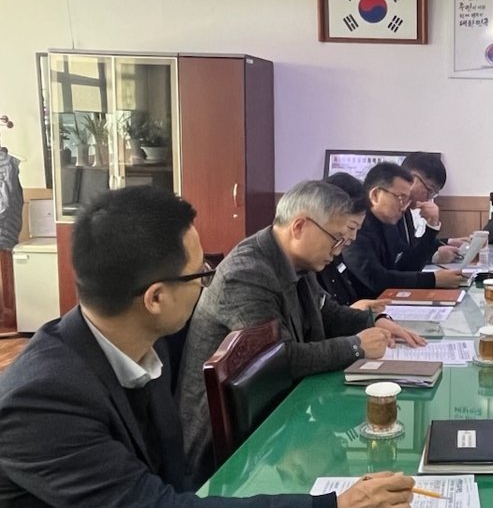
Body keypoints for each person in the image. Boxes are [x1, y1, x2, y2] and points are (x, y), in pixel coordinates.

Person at [0, 186, 415, 508]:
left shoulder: (141, 345)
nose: (208, 285)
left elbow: (174, 492)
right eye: (201, 274)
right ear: (156, 298)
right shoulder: (41, 401)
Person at [179, 180, 425, 479]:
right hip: (233, 448)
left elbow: (327, 312)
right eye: (336, 239)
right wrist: (356, 346)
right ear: (299, 227)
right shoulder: (247, 274)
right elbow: (278, 360)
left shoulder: (298, 262)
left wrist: (375, 321)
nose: (338, 251)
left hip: (276, 414)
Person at [342, 162, 462, 298]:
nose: (404, 207)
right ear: (375, 195)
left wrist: (431, 228)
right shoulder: (356, 226)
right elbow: (376, 279)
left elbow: (407, 266)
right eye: (401, 198)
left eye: (407, 199)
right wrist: (433, 279)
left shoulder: (390, 221)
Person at [316, 172, 381, 309]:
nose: (353, 237)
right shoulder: (309, 262)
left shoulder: (336, 254)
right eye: (351, 227)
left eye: (358, 229)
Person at [396, 152, 459, 267]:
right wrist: (434, 260)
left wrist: (433, 227)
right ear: (412, 178)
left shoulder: (406, 212)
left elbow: (410, 256)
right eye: (429, 190)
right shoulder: (388, 213)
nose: (429, 198)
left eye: (434, 193)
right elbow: (399, 266)